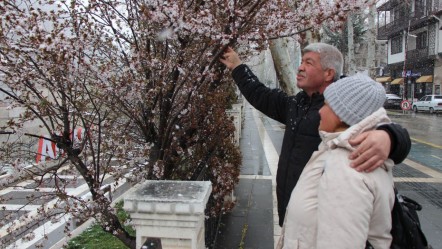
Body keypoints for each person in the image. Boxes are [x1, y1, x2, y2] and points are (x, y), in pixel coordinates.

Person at [220, 43, 411, 226]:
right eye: (301, 62)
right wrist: (238, 66)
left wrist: (389, 137)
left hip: (323, 220)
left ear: (329, 73)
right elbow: (261, 95)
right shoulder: (298, 104)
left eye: (308, 63)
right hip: (292, 211)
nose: (300, 68)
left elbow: (386, 128)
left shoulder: (342, 110)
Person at [278, 73, 395, 249]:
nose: (320, 111)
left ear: (341, 114)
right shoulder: (342, 150)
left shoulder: (347, 167)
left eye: (326, 105)